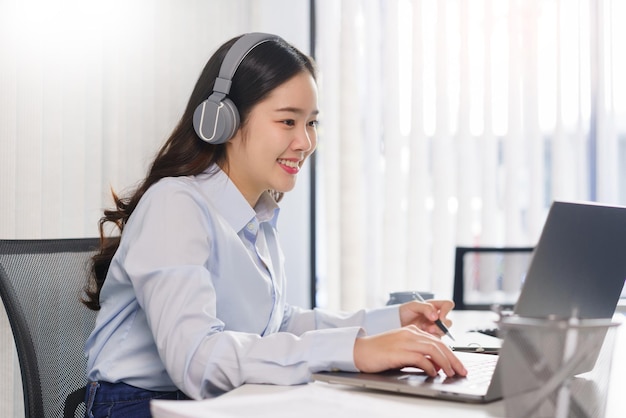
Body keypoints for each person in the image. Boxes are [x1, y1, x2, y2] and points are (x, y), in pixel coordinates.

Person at [81, 32, 467, 418]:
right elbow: (197, 361)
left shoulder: (257, 217)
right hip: (143, 406)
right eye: (287, 121)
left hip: (219, 401)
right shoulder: (175, 204)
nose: (305, 142)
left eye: (312, 123)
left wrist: (390, 324)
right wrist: (354, 351)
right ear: (223, 120)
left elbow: (278, 325)